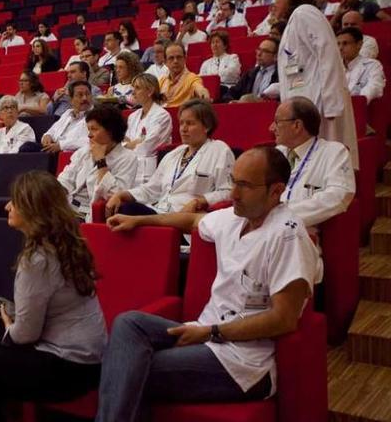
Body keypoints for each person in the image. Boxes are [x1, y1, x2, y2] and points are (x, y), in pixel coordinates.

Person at [97, 147, 321, 422]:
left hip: (242, 362)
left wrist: (212, 332)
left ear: (276, 191)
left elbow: (283, 319)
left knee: (129, 368)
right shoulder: (234, 217)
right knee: (128, 324)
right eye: (233, 181)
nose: (233, 193)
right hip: (205, 333)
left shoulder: (287, 235)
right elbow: (191, 220)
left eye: (244, 185)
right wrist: (139, 219)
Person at [0, 170, 105, 422]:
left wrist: (8, 323)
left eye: (13, 202)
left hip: (69, 367)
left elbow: (25, 335)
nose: (6, 206)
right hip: (91, 358)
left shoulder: (37, 260)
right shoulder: (70, 243)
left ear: (32, 210)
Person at [275, 0, 359, 169]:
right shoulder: (294, 21)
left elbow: (328, 55)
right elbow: (295, 71)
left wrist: (331, 103)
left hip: (321, 102)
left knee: (326, 161)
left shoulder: (305, 13)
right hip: (305, 99)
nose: (274, 4)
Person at [106, 99, 234, 216]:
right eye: (181, 123)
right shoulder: (174, 154)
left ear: (207, 126)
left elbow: (228, 192)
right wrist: (123, 194)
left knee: (128, 212)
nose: (183, 129)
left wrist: (201, 201)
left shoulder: (219, 150)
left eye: (190, 123)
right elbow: (152, 189)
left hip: (187, 217)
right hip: (160, 212)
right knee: (123, 208)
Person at [271, 97, 355, 232]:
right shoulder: (276, 153)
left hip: (299, 235)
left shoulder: (333, 152)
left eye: (277, 122)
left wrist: (282, 216)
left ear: (297, 125)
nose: (271, 128)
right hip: (265, 228)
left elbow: (338, 195)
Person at [58, 106, 138, 221]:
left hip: (89, 213)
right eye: (88, 130)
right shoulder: (84, 151)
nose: (89, 135)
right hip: (68, 207)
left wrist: (101, 161)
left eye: (94, 129)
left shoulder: (128, 158)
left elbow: (115, 194)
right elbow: (65, 180)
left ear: (111, 131)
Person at [124, 73, 172, 184]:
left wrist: (132, 143)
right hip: (129, 163)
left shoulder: (162, 115)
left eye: (137, 88)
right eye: (133, 88)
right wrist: (134, 142)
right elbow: (124, 141)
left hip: (149, 167)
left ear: (150, 91)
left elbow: (147, 147)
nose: (133, 92)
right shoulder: (133, 116)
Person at [36, 81, 93, 154]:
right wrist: (47, 136)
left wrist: (61, 145)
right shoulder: (67, 113)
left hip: (69, 153)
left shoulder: (95, 116)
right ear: (71, 100)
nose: (85, 98)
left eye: (87, 94)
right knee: (28, 147)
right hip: (52, 149)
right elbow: (52, 130)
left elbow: (91, 140)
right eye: (80, 95)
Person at [338, 27, 385, 105]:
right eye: (338, 44)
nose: (340, 48)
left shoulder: (372, 65)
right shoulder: (334, 68)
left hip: (359, 109)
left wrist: (356, 102)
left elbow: (374, 88)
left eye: (345, 43)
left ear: (359, 44)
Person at [225, 37, 280, 102]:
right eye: (259, 50)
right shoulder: (249, 74)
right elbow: (231, 93)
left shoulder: (280, 75)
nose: (259, 54)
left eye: (265, 51)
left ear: (275, 56)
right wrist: (231, 101)